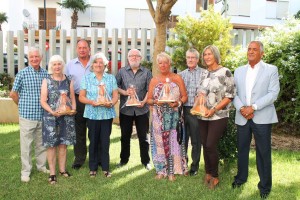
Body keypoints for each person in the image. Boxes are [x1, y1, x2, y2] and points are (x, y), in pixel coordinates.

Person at [232, 41, 280, 199]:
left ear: (262, 53)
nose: (251, 52)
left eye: (254, 49)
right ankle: (240, 178)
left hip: (262, 117)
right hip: (242, 116)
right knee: (242, 150)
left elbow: (273, 93)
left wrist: (253, 107)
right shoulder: (238, 71)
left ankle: (265, 186)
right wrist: (242, 109)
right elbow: (234, 93)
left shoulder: (271, 70)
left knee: (263, 152)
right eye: (249, 49)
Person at [197, 45, 235, 189]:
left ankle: (215, 176)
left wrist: (213, 109)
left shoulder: (225, 72)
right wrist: (198, 106)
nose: (207, 57)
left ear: (216, 55)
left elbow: (229, 96)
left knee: (210, 144)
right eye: (205, 54)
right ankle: (208, 172)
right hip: (203, 115)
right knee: (204, 145)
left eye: (209, 54)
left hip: (218, 115)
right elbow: (201, 93)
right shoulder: (204, 73)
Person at [9, 47, 49, 183]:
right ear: (28, 58)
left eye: (36, 56)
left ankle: (41, 166)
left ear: (41, 57)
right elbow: (13, 94)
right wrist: (21, 105)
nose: (34, 59)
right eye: (31, 57)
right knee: (26, 146)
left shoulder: (45, 74)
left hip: (42, 115)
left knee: (41, 144)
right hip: (27, 116)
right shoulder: (22, 74)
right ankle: (25, 171)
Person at [147, 52, 188, 181]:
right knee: (159, 144)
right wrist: (155, 102)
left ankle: (173, 170)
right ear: (158, 65)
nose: (163, 65)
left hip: (175, 115)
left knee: (174, 143)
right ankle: (161, 170)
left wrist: (178, 103)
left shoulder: (177, 78)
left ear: (170, 63)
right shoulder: (154, 80)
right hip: (158, 117)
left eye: (165, 62)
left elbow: (184, 97)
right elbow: (148, 100)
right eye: (160, 63)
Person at [79, 52, 118, 177]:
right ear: (92, 64)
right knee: (93, 140)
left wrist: (111, 103)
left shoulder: (111, 78)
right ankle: (93, 168)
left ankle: (106, 167)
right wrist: (91, 102)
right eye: (96, 62)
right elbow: (81, 97)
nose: (98, 64)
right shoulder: (86, 78)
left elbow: (115, 95)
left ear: (105, 64)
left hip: (107, 114)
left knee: (105, 141)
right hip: (92, 114)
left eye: (101, 62)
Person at [40, 55, 76, 184]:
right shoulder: (46, 81)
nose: (57, 66)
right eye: (54, 64)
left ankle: (62, 170)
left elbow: (72, 98)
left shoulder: (69, 80)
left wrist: (73, 110)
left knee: (63, 145)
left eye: (59, 64)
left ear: (62, 65)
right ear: (51, 66)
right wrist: (52, 112)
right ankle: (52, 173)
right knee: (51, 146)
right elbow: (43, 101)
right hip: (51, 118)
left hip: (66, 117)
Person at [115, 49, 152, 170]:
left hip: (142, 109)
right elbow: (115, 87)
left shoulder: (147, 72)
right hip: (126, 110)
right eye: (132, 56)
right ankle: (124, 160)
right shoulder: (121, 72)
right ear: (128, 58)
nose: (134, 58)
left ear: (140, 58)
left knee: (143, 137)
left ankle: (145, 161)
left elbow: (149, 89)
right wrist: (125, 92)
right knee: (125, 136)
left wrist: (144, 101)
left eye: (137, 56)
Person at [65, 39, 94, 169]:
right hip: (76, 100)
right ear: (77, 49)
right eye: (80, 47)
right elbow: (65, 83)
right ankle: (79, 159)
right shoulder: (70, 65)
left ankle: (96, 159)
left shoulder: (96, 63)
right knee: (79, 131)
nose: (82, 50)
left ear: (89, 49)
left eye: (84, 47)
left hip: (93, 101)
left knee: (94, 132)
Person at [179, 48, 203, 176]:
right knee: (183, 139)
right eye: (188, 57)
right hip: (183, 110)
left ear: (197, 59)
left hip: (197, 111)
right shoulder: (181, 74)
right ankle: (184, 165)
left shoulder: (204, 73)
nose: (190, 59)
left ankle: (195, 167)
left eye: (193, 57)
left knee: (196, 140)